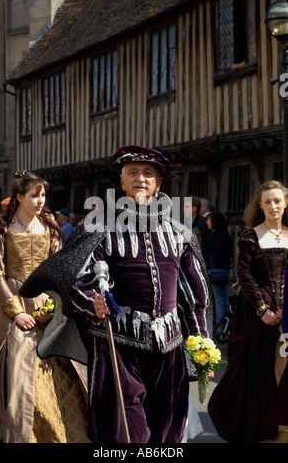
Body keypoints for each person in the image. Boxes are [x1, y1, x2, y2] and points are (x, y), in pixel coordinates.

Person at [19, 145, 214, 444]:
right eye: (132, 172)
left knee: (167, 428)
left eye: (148, 173)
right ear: (122, 182)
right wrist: (92, 304)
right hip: (118, 345)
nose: (140, 178)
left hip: (170, 347)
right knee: (123, 431)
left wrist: (202, 346)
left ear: (159, 183)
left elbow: (194, 297)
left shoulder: (179, 233)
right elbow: (78, 280)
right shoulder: (99, 228)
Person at [0, 171, 89, 443]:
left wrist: (53, 305)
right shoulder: (1, 228)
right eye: (34, 195)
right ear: (19, 197)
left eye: (43, 195)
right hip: (13, 304)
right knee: (20, 370)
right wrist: (17, 311)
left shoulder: (51, 228)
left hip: (47, 305)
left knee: (61, 368)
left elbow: (58, 271)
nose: (40, 200)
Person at [208, 180, 288, 443]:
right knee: (260, 370)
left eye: (277, 200)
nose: (273, 206)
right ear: (260, 205)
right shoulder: (250, 235)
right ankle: (261, 427)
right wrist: (263, 310)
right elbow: (244, 273)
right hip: (257, 313)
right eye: (267, 201)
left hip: (287, 310)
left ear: (285, 203)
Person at [201, 211, 232, 326]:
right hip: (224, 270)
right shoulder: (225, 234)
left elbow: (204, 250)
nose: (207, 222)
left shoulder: (215, 235)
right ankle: (225, 324)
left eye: (209, 220)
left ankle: (220, 326)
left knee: (218, 299)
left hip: (216, 270)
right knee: (223, 298)